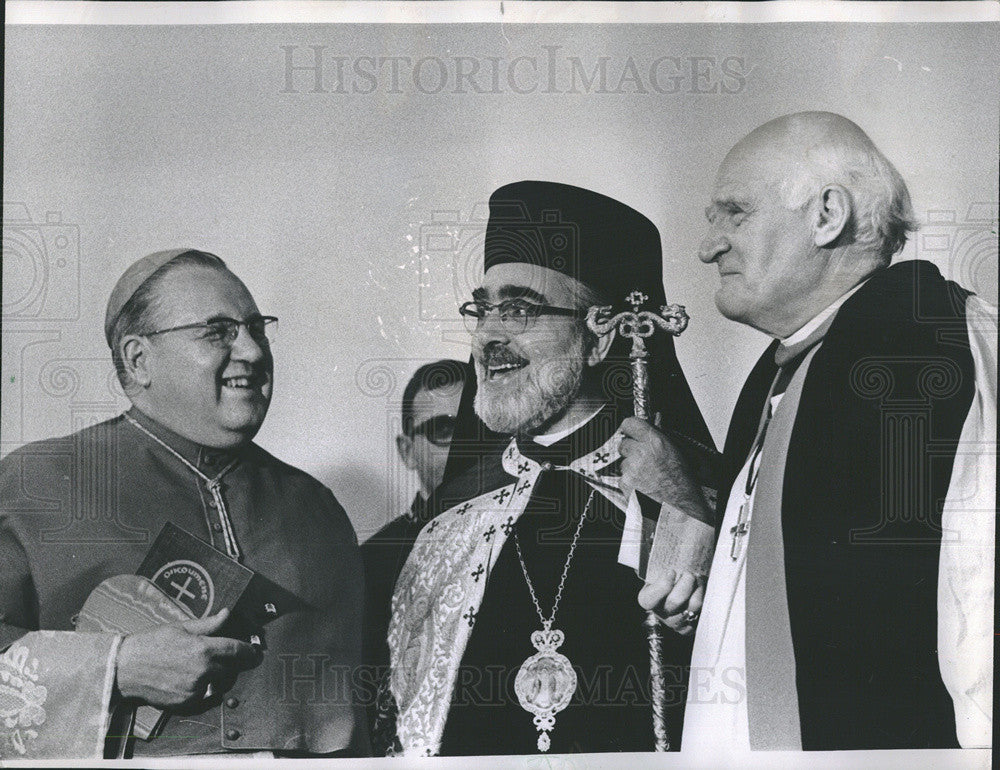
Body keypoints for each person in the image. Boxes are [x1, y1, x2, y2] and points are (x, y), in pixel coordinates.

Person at [624, 111, 995, 752]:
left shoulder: (932, 350)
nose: (707, 248)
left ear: (827, 215)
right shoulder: (787, 372)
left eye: (734, 213)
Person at [379, 181, 719, 756]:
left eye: (519, 310)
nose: (488, 337)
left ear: (598, 337)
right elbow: (408, 725)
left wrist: (683, 514)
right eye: (483, 311)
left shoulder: (698, 495)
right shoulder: (451, 521)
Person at [0, 249, 366, 758]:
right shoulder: (33, 480)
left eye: (257, 328)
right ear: (138, 359)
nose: (254, 352)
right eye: (217, 331)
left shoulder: (315, 506)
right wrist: (117, 665)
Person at [359, 359, 466, 732]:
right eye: (445, 430)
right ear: (406, 451)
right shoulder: (371, 563)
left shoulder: (531, 541)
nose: (467, 444)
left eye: (476, 426)